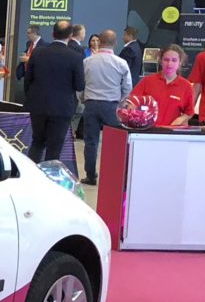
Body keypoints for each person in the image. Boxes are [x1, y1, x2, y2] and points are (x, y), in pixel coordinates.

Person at [24, 20, 84, 166]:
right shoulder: (75, 56)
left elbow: (28, 79)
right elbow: (79, 85)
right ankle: (49, 177)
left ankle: (30, 174)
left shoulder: (38, 52)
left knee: (37, 142)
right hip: (62, 108)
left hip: (38, 105)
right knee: (55, 148)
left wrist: (32, 98)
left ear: (52, 34)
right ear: (70, 36)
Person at [81, 29, 134, 185]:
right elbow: (127, 87)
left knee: (90, 142)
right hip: (112, 106)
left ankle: (91, 175)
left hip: (91, 104)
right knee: (114, 143)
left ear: (100, 42)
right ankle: (113, 175)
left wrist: (83, 99)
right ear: (115, 43)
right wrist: (122, 102)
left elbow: (81, 85)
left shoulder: (87, 62)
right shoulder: (121, 63)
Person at [129, 43, 193, 127]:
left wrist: (179, 120)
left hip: (170, 131)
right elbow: (131, 103)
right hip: (148, 130)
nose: (169, 64)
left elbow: (189, 112)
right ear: (160, 61)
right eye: (166, 60)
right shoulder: (147, 81)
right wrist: (137, 116)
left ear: (180, 62)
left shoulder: (186, 86)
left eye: (174, 60)